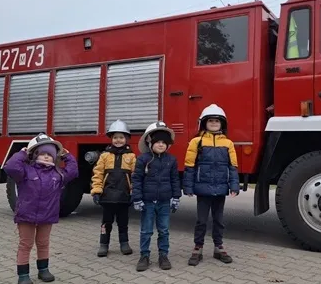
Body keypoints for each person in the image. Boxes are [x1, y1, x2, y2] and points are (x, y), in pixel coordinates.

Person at [3, 133, 79, 284]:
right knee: (26, 244)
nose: (46, 157)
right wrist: (23, 153)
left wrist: (67, 155)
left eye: (50, 155)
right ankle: (23, 275)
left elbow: (73, 171)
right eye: (42, 153)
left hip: (47, 216)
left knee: (43, 243)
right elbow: (10, 167)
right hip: (26, 215)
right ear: (34, 154)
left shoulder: (58, 175)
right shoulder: (24, 172)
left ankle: (43, 270)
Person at [183, 104, 240, 266]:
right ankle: (197, 248)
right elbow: (189, 166)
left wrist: (234, 186)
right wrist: (188, 186)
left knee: (219, 220)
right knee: (201, 220)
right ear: (204, 123)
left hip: (220, 189)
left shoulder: (228, 143)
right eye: (210, 121)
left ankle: (218, 247)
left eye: (217, 121)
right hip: (202, 188)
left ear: (223, 124)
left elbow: (232, 166)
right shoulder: (196, 142)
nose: (214, 123)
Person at [131, 121, 181, 272]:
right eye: (157, 142)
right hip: (147, 202)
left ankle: (163, 255)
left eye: (164, 142)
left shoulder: (171, 160)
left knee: (164, 230)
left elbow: (175, 179)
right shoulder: (142, 159)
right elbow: (137, 179)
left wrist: (176, 196)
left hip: (164, 201)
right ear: (150, 142)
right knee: (146, 230)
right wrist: (137, 198)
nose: (161, 145)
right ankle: (144, 256)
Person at [90, 119, 137, 257]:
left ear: (127, 139)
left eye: (121, 137)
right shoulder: (104, 156)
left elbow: (135, 176)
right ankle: (103, 244)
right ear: (111, 139)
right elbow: (97, 174)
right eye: (115, 137)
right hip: (107, 196)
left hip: (124, 196)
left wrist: (134, 192)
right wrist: (96, 191)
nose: (118, 140)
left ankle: (124, 243)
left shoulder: (131, 156)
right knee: (106, 222)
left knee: (123, 223)